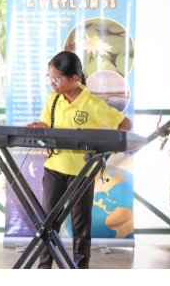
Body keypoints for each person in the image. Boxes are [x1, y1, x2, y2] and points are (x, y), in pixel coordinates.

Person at [29, 51, 131, 268]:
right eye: (50, 78)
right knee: (48, 224)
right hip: (54, 170)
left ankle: (80, 269)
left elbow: (125, 125)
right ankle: (44, 268)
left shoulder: (92, 104)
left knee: (80, 226)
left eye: (57, 78)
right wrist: (41, 129)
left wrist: (104, 151)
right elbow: (48, 126)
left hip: (82, 174)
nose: (52, 83)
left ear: (74, 79)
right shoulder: (53, 100)